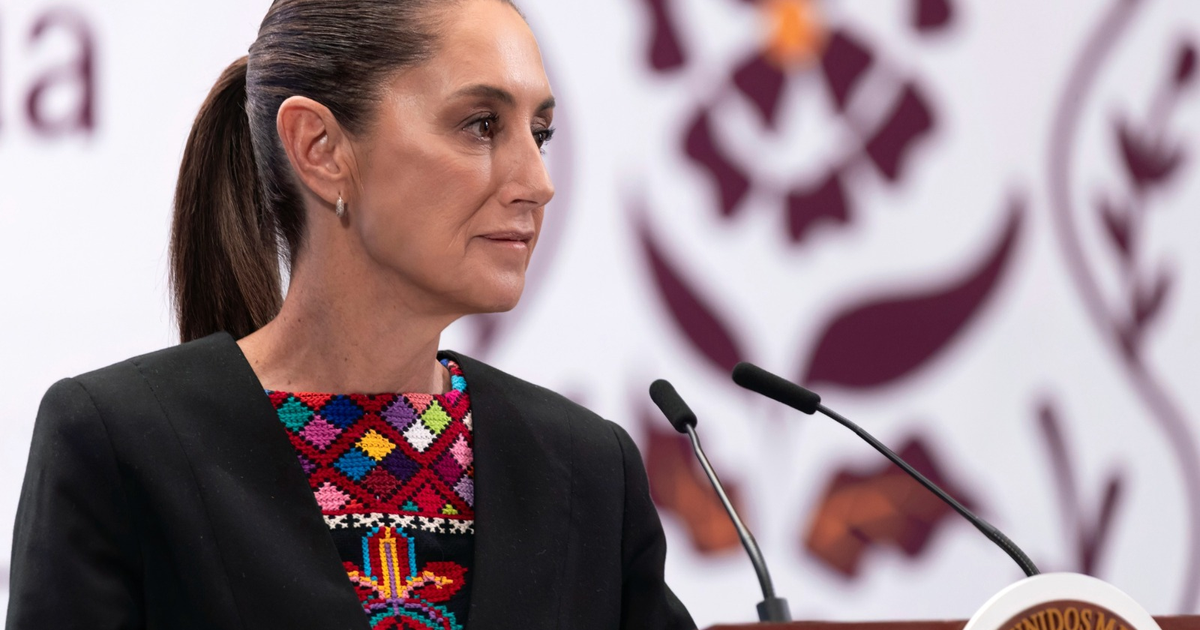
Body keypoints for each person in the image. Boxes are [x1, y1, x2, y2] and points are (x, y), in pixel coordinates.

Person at [5, 1, 696, 628]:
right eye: (482, 124)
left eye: (539, 132)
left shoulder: (588, 469)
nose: (539, 183)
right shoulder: (116, 443)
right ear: (320, 149)